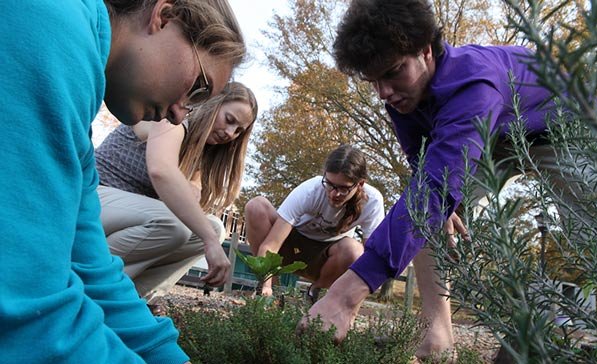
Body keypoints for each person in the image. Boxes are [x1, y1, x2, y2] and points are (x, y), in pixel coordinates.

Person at [299, 0, 586, 360]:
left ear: (426, 50)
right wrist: (443, 205)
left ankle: (570, 329)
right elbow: (424, 173)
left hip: (560, 126)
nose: (384, 92)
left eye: (393, 72)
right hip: (493, 136)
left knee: (587, 230)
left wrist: (346, 294)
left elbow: (436, 186)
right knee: (426, 216)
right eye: (374, 81)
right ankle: (436, 335)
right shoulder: (402, 96)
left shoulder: (474, 83)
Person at [0, 0, 245, 363]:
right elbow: (25, 312)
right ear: (164, 17)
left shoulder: (80, 103)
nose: (180, 114)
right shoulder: (56, 28)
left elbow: (90, 266)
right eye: (197, 88)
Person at [95, 82, 258, 309]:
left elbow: (190, 199)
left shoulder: (198, 153)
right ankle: (90, 277)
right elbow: (161, 171)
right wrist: (210, 243)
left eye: (239, 130)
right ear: (212, 104)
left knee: (213, 228)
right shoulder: (171, 118)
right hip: (92, 197)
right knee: (176, 225)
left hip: (122, 214)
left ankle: (132, 297)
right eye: (229, 120)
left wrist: (207, 230)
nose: (230, 134)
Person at [245, 144, 385, 299]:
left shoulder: (372, 201)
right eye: (330, 184)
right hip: (290, 249)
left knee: (354, 250)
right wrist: (265, 285)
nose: (334, 194)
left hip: (327, 261)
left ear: (360, 184)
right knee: (256, 206)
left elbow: (370, 258)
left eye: (343, 188)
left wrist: (350, 302)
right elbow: (271, 244)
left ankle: (315, 296)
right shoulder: (310, 190)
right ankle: (273, 295)